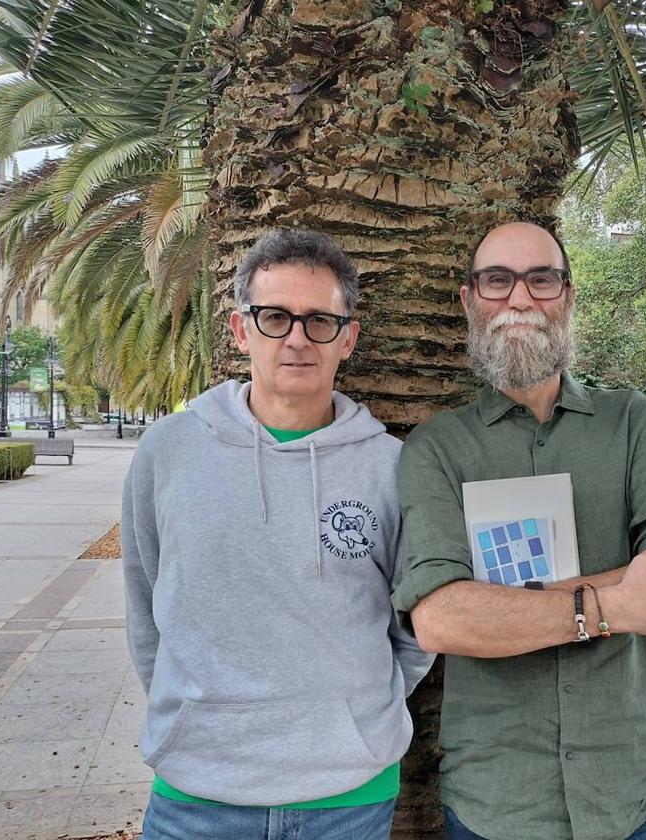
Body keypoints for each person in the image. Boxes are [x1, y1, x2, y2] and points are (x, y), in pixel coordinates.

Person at [393, 222, 646, 840]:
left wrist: (505, 606)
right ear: (470, 300)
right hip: (498, 799)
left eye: (540, 279)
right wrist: (617, 602)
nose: (520, 299)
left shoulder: (633, 422)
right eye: (498, 280)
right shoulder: (437, 448)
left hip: (635, 795)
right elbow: (441, 619)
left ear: (567, 296)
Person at [122, 228, 433, 840]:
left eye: (320, 320)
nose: (296, 338)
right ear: (241, 331)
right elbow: (145, 602)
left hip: (349, 796)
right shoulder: (169, 451)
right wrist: (188, 714)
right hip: (196, 794)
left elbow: (416, 626)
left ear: (349, 337)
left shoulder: (391, 467)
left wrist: (356, 718)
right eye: (274, 317)